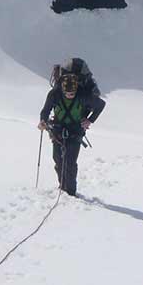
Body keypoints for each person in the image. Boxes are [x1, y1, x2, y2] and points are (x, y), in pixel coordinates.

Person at [36, 62, 106, 196]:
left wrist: (90, 120)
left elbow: (101, 105)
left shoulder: (83, 95)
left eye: (72, 93)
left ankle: (71, 192)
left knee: (70, 162)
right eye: (67, 93)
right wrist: (43, 121)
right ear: (62, 89)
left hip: (75, 131)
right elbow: (45, 111)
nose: (70, 95)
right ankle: (62, 187)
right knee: (58, 159)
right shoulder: (54, 94)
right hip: (57, 130)